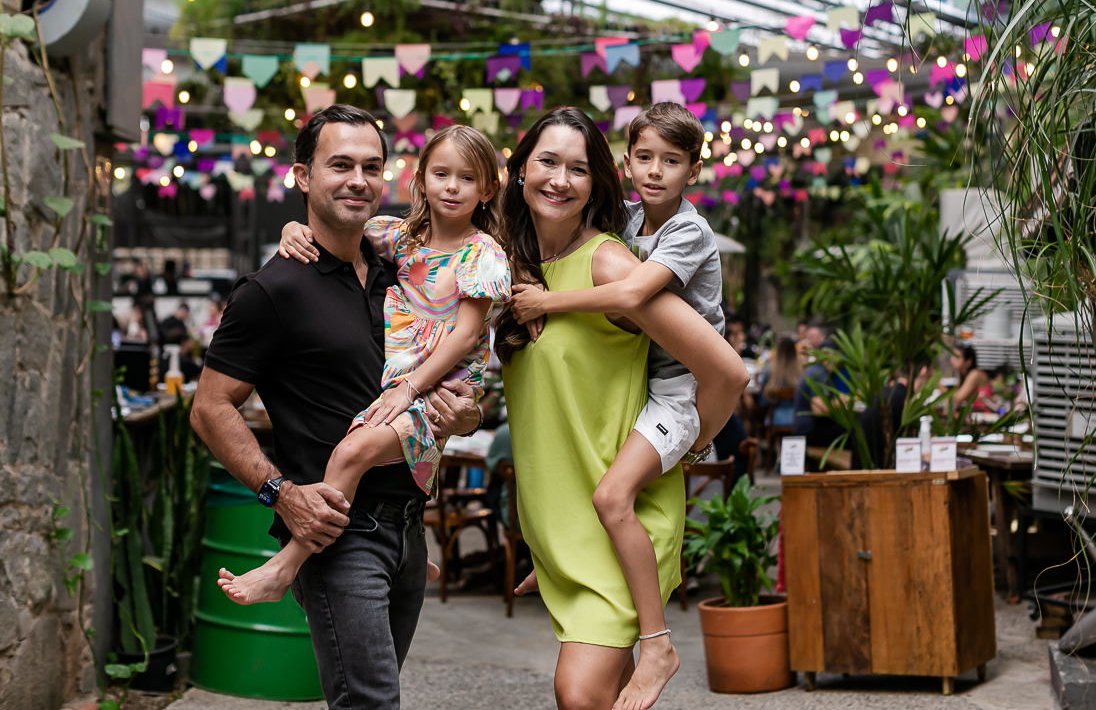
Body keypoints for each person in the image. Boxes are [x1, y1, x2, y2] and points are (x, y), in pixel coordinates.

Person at [190, 105, 483, 710]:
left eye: (371, 167)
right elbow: (210, 408)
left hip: (410, 528)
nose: (358, 180)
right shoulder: (272, 290)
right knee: (371, 702)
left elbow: (449, 380)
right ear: (303, 176)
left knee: (373, 698)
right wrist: (279, 493)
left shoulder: (401, 268)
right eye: (340, 165)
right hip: (338, 534)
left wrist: (467, 416)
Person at [494, 107, 747, 710]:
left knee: (579, 695)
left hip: (620, 513)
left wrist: (692, 446)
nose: (560, 179)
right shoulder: (511, 262)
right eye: (547, 161)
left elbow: (727, 372)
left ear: (597, 181)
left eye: (579, 168)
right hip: (567, 530)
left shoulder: (611, 261)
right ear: (521, 169)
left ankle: (660, 645)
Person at [220, 124, 511, 605]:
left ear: (487, 189)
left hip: (436, 384)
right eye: (441, 174)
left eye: (468, 178)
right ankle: (409, 548)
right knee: (369, 456)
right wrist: (291, 229)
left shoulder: (483, 254)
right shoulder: (402, 238)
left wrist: (409, 389)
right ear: (421, 179)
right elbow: (333, 230)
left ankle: (285, 566)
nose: (452, 187)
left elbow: (464, 335)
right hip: (402, 382)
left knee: (351, 454)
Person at [858, 358, 932, 469]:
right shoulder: (903, 401)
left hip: (863, 464)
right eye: (932, 371)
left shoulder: (887, 393)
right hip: (879, 469)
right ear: (924, 372)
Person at [759, 336, 803, 429]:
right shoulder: (801, 370)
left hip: (776, 416)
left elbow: (763, 401)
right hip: (798, 416)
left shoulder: (770, 370)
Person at [950, 343, 990, 409]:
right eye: (952, 356)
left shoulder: (975, 374)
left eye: (957, 357)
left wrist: (938, 383)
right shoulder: (963, 375)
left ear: (968, 361)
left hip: (981, 414)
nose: (952, 360)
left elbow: (956, 399)